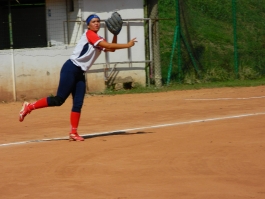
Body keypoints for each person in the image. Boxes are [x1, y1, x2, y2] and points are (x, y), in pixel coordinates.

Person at [18, 14, 137, 141]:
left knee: (78, 103)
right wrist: (127, 45)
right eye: (93, 21)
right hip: (71, 68)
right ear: (88, 25)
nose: (96, 23)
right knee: (59, 100)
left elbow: (110, 49)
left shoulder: (98, 38)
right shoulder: (89, 34)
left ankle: (73, 133)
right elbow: (108, 46)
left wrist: (115, 35)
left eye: (98, 21)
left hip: (80, 72)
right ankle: (29, 107)